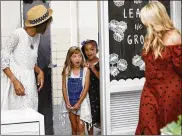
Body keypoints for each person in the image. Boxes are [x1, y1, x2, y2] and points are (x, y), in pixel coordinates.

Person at [135, 1, 181, 135]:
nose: (143, 22)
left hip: (170, 91)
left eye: (145, 19)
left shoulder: (174, 36)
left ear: (154, 19)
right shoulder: (149, 37)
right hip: (150, 89)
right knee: (147, 126)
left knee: (168, 130)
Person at [1, 4, 53, 111]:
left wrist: (39, 71)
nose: (48, 27)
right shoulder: (17, 34)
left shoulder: (37, 37)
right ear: (41, 24)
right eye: (48, 24)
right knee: (15, 118)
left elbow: (28, 60)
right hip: (15, 82)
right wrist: (14, 81)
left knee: (30, 114)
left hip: (29, 81)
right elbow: (3, 60)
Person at [62, 46, 92, 135]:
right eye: (74, 56)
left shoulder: (86, 70)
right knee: (74, 128)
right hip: (70, 103)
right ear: (69, 58)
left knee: (81, 127)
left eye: (79, 56)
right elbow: (64, 87)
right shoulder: (67, 70)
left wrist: (79, 103)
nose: (77, 58)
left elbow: (86, 88)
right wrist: (67, 102)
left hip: (82, 103)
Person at [81, 40, 100, 135]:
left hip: (98, 93)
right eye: (86, 50)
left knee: (99, 114)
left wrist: (93, 68)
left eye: (92, 49)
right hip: (88, 93)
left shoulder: (100, 62)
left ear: (97, 50)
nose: (89, 52)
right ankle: (90, 134)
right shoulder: (83, 63)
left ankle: (103, 130)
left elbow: (102, 78)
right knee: (89, 115)